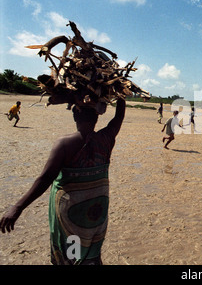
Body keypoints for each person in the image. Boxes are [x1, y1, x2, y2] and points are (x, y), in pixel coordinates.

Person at [0, 98, 126, 265]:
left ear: (75, 115)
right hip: (97, 212)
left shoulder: (65, 143)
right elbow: (119, 117)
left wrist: (18, 207)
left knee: (71, 257)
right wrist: (120, 97)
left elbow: (45, 179)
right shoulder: (106, 138)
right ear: (97, 116)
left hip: (71, 215)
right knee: (91, 254)